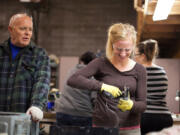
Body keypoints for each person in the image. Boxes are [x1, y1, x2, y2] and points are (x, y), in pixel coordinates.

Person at [67, 23, 147, 135]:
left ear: (133, 46)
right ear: (111, 45)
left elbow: (143, 105)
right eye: (119, 49)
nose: (123, 54)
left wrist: (131, 105)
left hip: (130, 129)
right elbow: (73, 79)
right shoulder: (101, 63)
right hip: (103, 128)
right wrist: (102, 86)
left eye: (127, 49)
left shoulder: (139, 70)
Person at [0, 13, 50, 133]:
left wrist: (37, 106)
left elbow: (42, 82)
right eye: (23, 29)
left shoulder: (39, 55)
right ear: (11, 30)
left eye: (30, 29)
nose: (28, 33)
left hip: (25, 123)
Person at [134, 39, 173, 135]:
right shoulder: (162, 72)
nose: (134, 58)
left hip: (145, 118)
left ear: (143, 56)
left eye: (135, 55)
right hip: (164, 118)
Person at [55, 51, 97, 127]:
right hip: (82, 115)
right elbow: (95, 100)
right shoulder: (92, 76)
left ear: (82, 61)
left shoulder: (71, 71)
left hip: (62, 112)